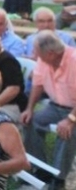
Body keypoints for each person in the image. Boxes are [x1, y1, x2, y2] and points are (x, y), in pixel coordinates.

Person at [21, 31, 76, 185]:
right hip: (55, 106)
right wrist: (29, 109)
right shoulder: (44, 61)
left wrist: (70, 120)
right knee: (30, 121)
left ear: (50, 53)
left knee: (66, 132)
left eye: (36, 52)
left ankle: (58, 178)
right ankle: (40, 169)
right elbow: (37, 84)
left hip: (74, 111)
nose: (34, 55)